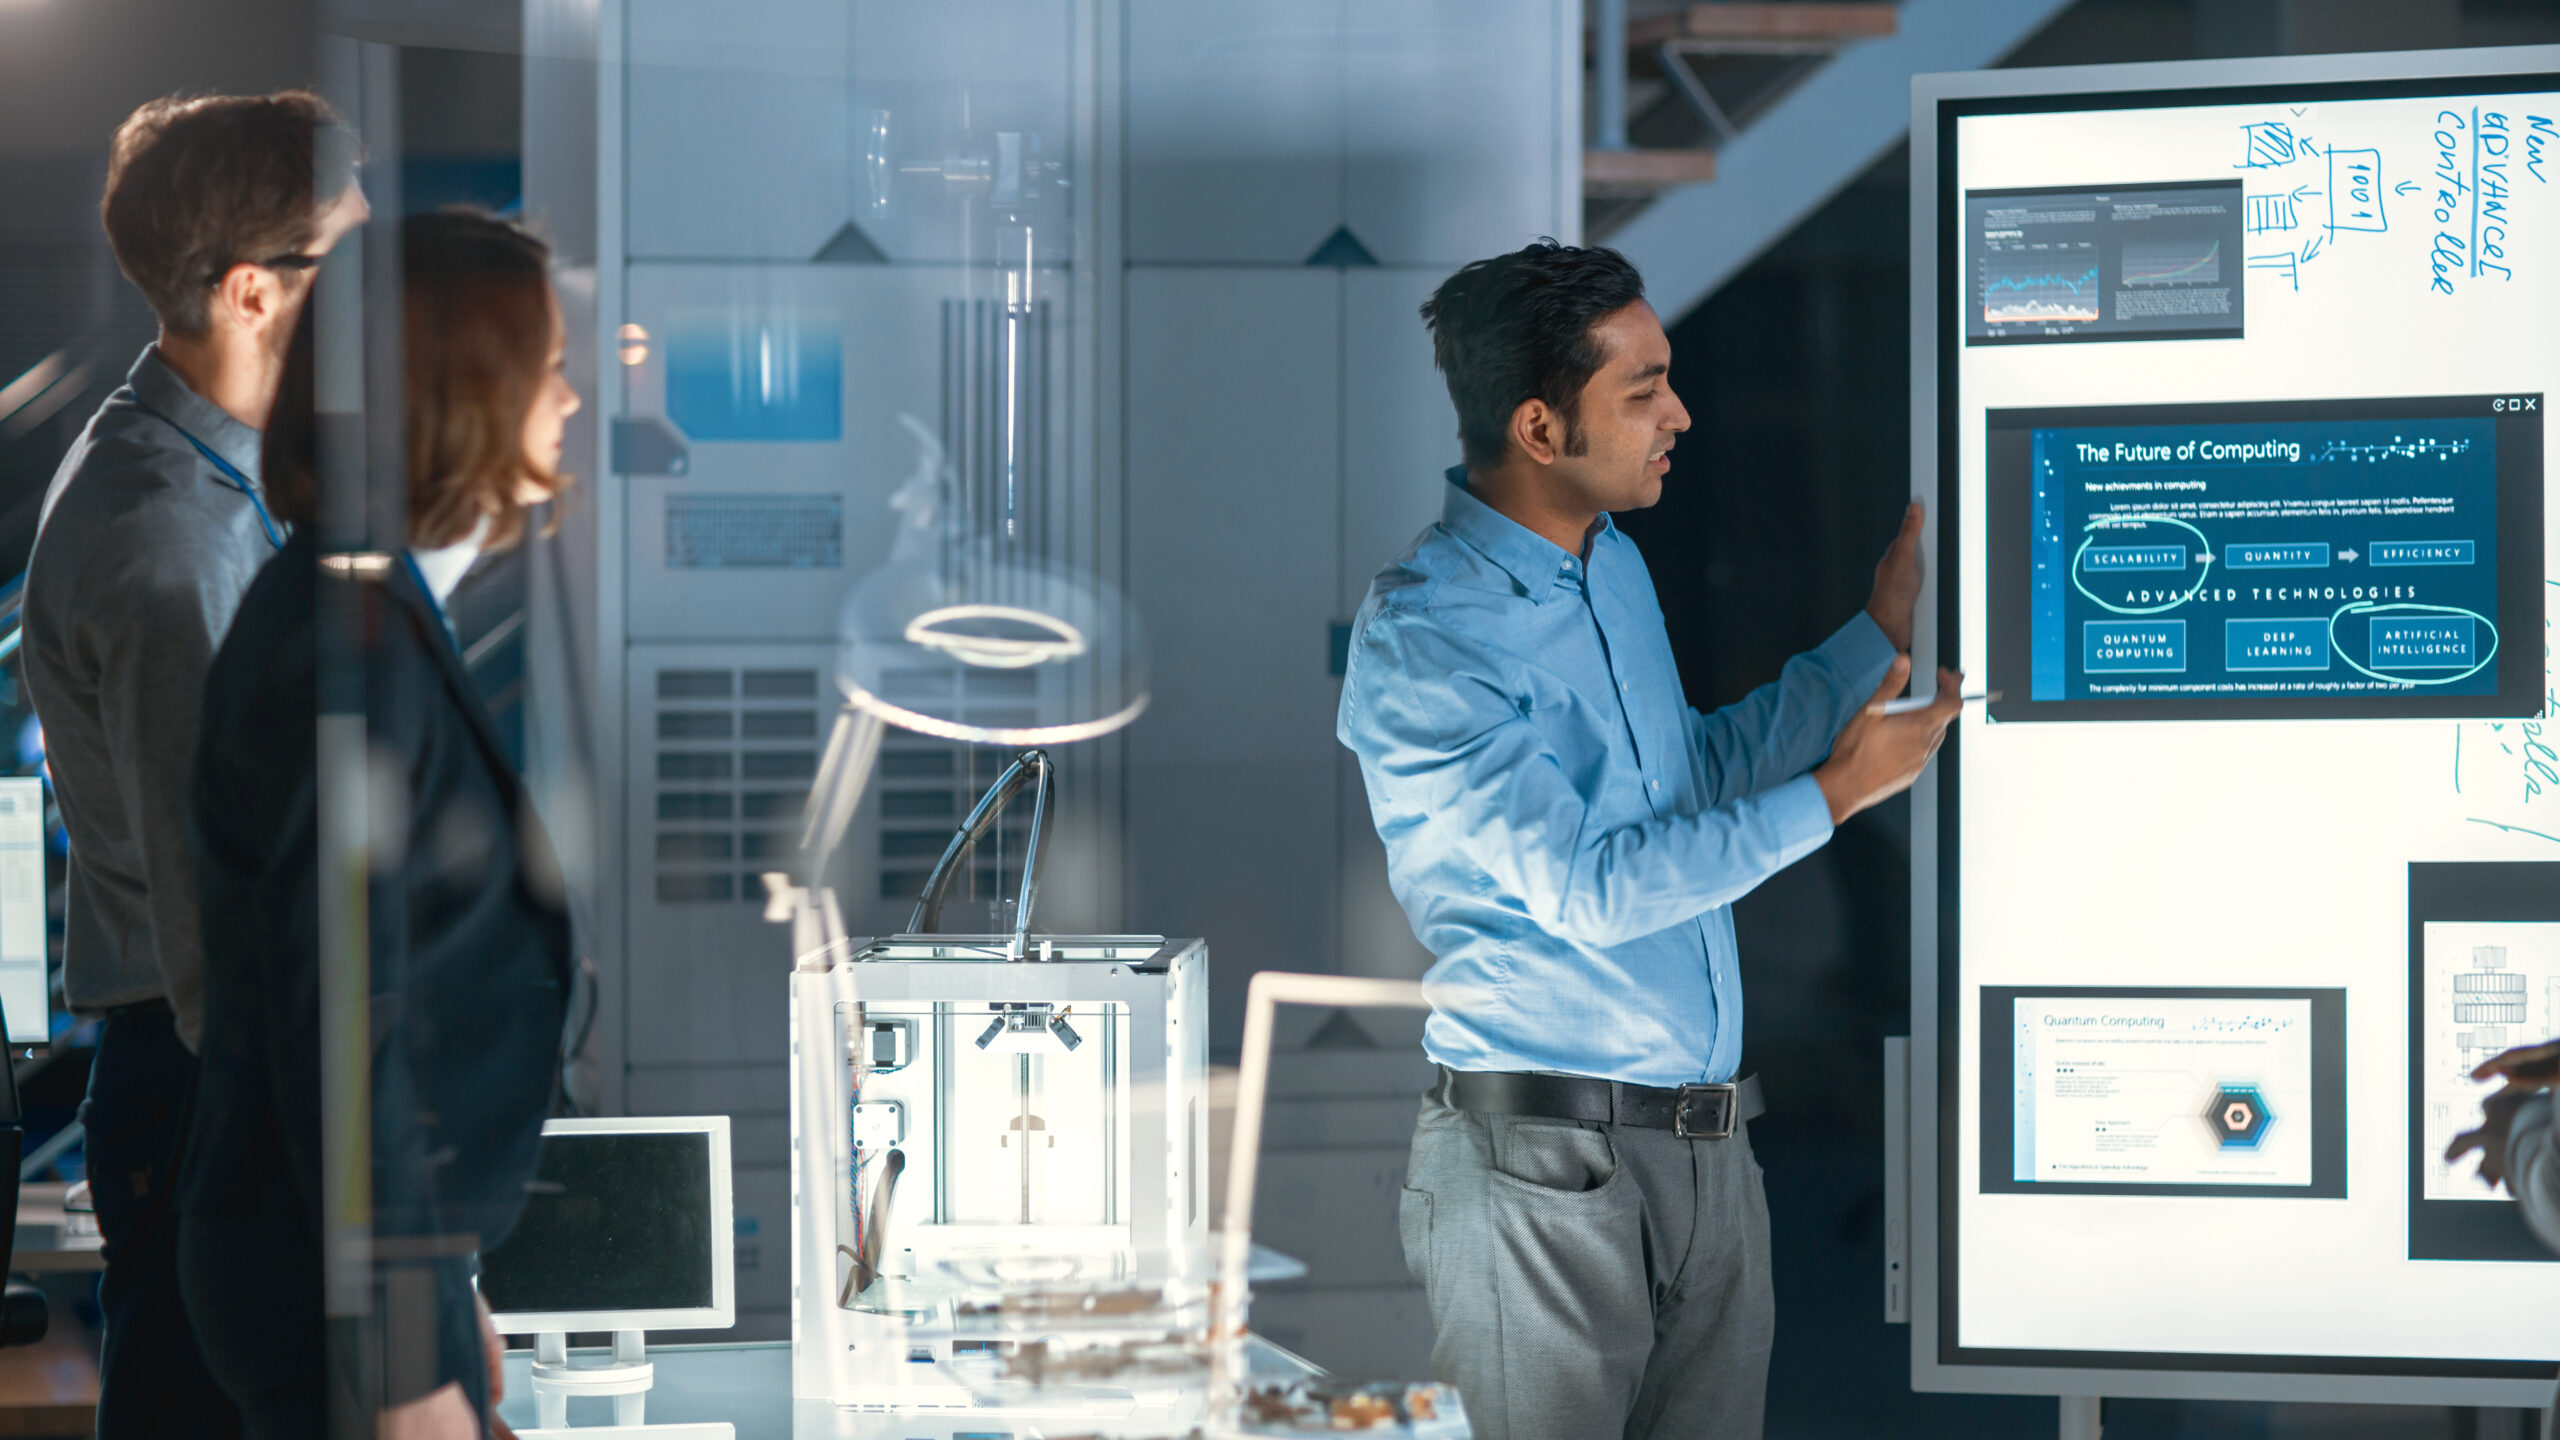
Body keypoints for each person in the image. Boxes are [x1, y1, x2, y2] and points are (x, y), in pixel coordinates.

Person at [1336, 240, 1960, 1440]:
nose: (1678, 413)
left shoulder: (1606, 567)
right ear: (1537, 427)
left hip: (1704, 1153)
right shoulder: (1428, 637)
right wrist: (1834, 796)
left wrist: (1866, 645)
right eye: (1643, 389)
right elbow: (1586, 891)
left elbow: (1696, 780)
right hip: (1543, 1171)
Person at [181, 209, 579, 1438]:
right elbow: (340, 1022)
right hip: (329, 1294)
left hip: (362, 1275)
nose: (567, 402)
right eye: (547, 366)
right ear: (467, 389)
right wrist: (410, 1354)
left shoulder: (367, 607)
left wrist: (447, 1282)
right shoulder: (341, 645)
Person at [20, 90, 366, 1440]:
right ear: (254, 294)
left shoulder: (207, 485)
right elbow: (219, 938)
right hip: (210, 1096)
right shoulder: (170, 549)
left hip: (208, 1089)